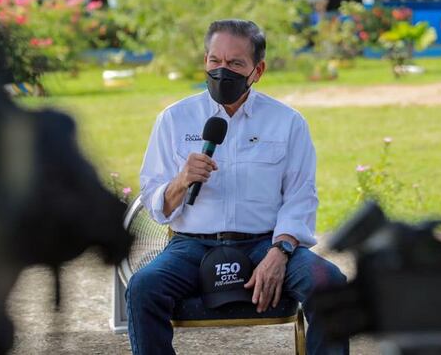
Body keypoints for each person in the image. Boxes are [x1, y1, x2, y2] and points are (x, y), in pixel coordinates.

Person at [127, 19, 348, 355]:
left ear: (257, 70)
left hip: (264, 243)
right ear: (205, 61)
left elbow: (300, 197)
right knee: (144, 288)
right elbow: (156, 203)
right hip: (191, 247)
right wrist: (182, 179)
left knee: (329, 283)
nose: (222, 71)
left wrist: (281, 252)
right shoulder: (174, 119)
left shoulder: (287, 122)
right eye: (214, 61)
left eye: (234, 64)